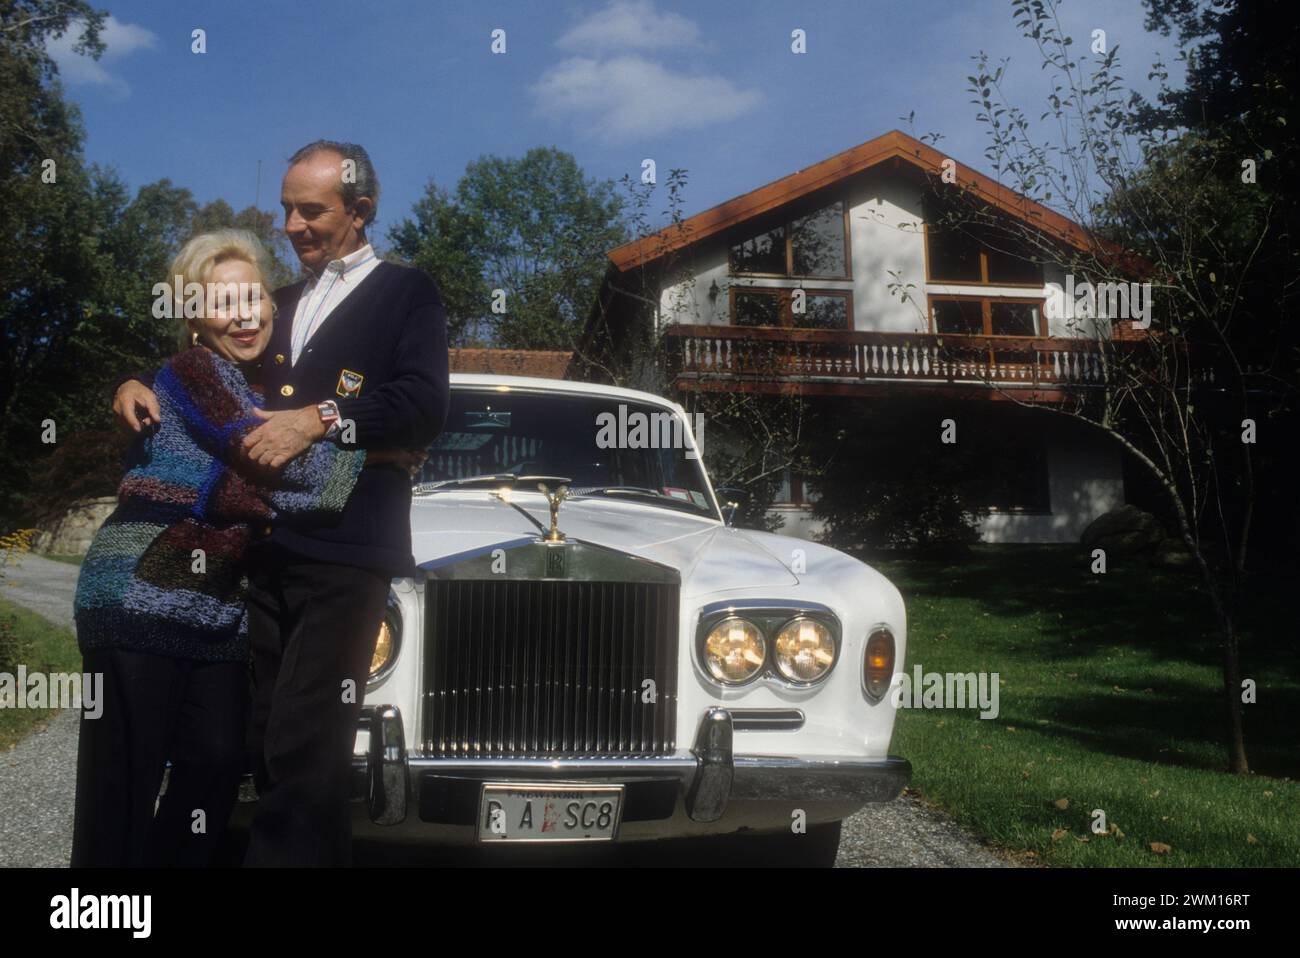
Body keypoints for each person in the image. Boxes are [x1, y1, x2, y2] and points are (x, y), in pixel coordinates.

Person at [114, 140, 449, 866]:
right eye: (286, 210)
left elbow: (423, 405)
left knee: (305, 740)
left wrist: (321, 419)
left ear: (360, 211)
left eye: (311, 210)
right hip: (261, 547)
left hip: (347, 550)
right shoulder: (280, 302)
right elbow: (214, 351)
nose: (292, 226)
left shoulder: (406, 291)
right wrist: (137, 380)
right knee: (257, 734)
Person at [74, 230, 371, 867]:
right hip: (137, 594)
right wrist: (382, 458)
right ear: (193, 320)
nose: (243, 315)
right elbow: (262, 462)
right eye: (220, 302)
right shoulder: (193, 371)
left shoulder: (259, 378)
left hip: (213, 609)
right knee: (121, 783)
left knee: (214, 761)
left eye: (252, 296)